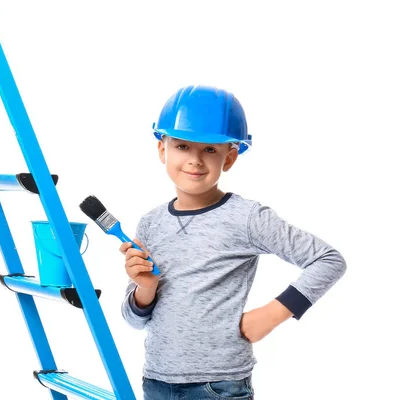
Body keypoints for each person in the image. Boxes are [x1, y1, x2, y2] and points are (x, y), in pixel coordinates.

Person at [119, 85, 347, 399]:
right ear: (163, 150)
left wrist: (269, 316)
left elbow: (328, 260)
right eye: (183, 146)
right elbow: (133, 320)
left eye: (210, 149)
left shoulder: (246, 217)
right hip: (156, 381)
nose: (195, 160)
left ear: (230, 157)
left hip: (218, 387)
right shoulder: (150, 223)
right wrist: (145, 288)